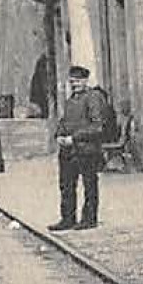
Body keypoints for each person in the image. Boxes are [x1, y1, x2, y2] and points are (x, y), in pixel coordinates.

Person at [50, 65, 110, 231]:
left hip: (87, 150)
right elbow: (64, 121)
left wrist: (74, 138)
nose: (74, 84)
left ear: (85, 81)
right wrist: (59, 135)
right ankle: (67, 218)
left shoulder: (93, 98)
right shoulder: (70, 101)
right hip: (68, 151)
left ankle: (89, 219)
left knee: (89, 185)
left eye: (77, 81)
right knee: (67, 186)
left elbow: (97, 126)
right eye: (72, 81)